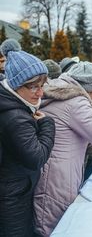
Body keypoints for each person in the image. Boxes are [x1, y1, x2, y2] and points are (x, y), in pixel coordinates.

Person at [34, 61, 92, 236]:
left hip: (52, 169)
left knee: (55, 222)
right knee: (58, 227)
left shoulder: (62, 93)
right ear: (90, 89)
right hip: (60, 174)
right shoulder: (76, 101)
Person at [0, 39, 55, 237]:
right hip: (11, 197)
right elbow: (37, 158)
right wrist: (48, 125)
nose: (40, 92)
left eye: (42, 85)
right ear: (15, 86)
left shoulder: (17, 106)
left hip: (16, 191)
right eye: (33, 87)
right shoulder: (15, 117)